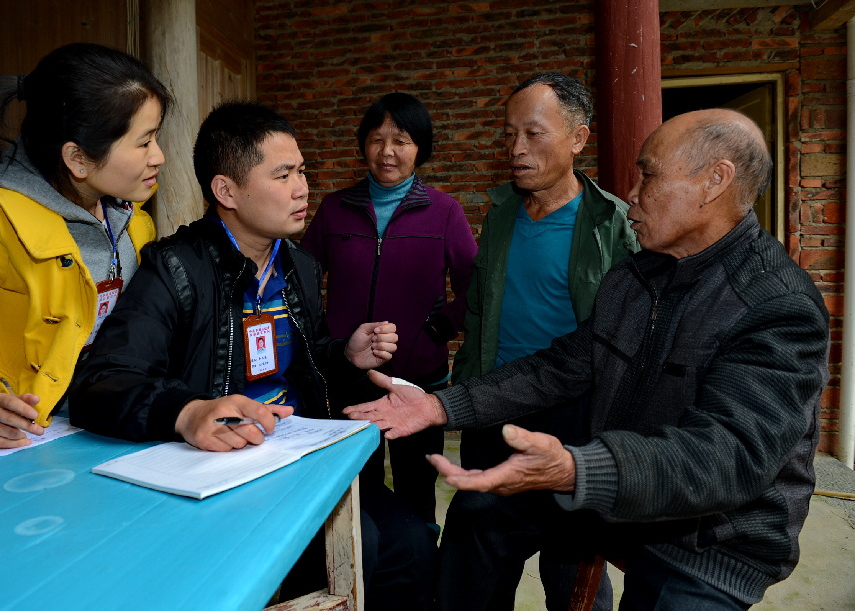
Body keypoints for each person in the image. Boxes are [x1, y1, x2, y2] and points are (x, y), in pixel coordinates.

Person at [345, 109, 830, 610]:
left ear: (714, 181)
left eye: (649, 174)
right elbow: (561, 367)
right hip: (616, 493)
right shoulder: (637, 277)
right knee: (479, 511)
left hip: (705, 539)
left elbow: (727, 456)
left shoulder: (777, 307)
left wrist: (578, 469)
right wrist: (441, 406)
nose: (634, 194)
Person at [70, 101, 437, 610]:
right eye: (282, 174)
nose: (302, 187)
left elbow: (300, 364)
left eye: (302, 171)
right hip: (222, 466)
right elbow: (102, 381)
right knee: (363, 547)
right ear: (226, 191)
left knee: (415, 542)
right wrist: (188, 411)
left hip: (297, 454)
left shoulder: (300, 267)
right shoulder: (175, 269)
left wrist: (345, 357)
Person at [451, 72, 637, 608]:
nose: (516, 149)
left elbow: (629, 339)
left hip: (575, 424)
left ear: (577, 138)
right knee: (472, 575)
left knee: (573, 580)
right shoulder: (502, 214)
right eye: (509, 135)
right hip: (494, 416)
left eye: (533, 134)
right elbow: (480, 313)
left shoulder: (613, 225)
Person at [0, 43, 170, 448]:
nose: (159, 156)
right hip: (17, 444)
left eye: (156, 137)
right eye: (143, 142)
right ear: (78, 158)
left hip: (105, 427)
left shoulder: (136, 224)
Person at [301, 92, 477, 524]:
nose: (387, 151)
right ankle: (368, 574)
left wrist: (439, 330)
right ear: (363, 144)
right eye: (377, 139)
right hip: (347, 376)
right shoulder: (335, 209)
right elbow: (299, 278)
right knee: (355, 492)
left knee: (418, 489)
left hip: (416, 381)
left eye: (401, 140)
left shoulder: (444, 212)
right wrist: (326, 336)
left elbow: (477, 287)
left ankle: (419, 579)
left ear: (420, 147)